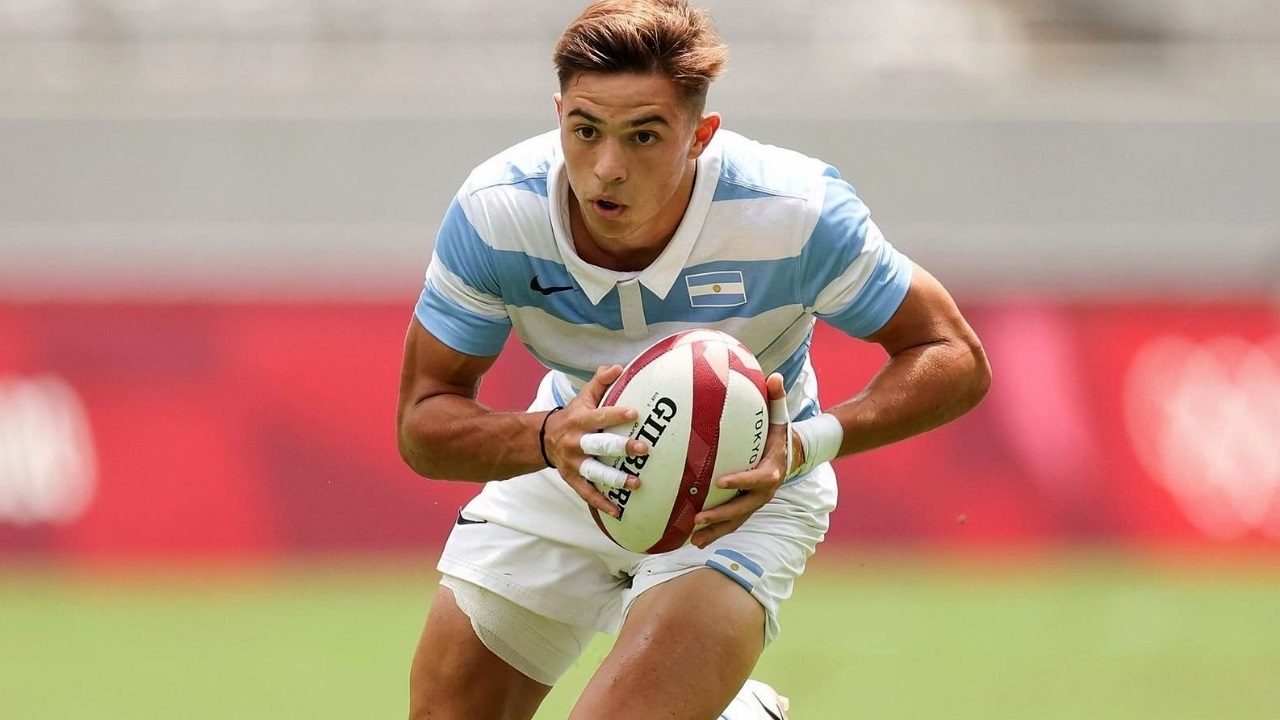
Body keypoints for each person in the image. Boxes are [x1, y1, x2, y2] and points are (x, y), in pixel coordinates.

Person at [395, 1, 992, 718]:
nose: (607, 168)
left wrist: (804, 445)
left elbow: (953, 355)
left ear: (700, 136)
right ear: (558, 117)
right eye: (585, 131)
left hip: (745, 485)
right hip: (575, 459)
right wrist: (549, 438)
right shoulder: (497, 213)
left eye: (644, 136)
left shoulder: (793, 211)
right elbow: (423, 422)